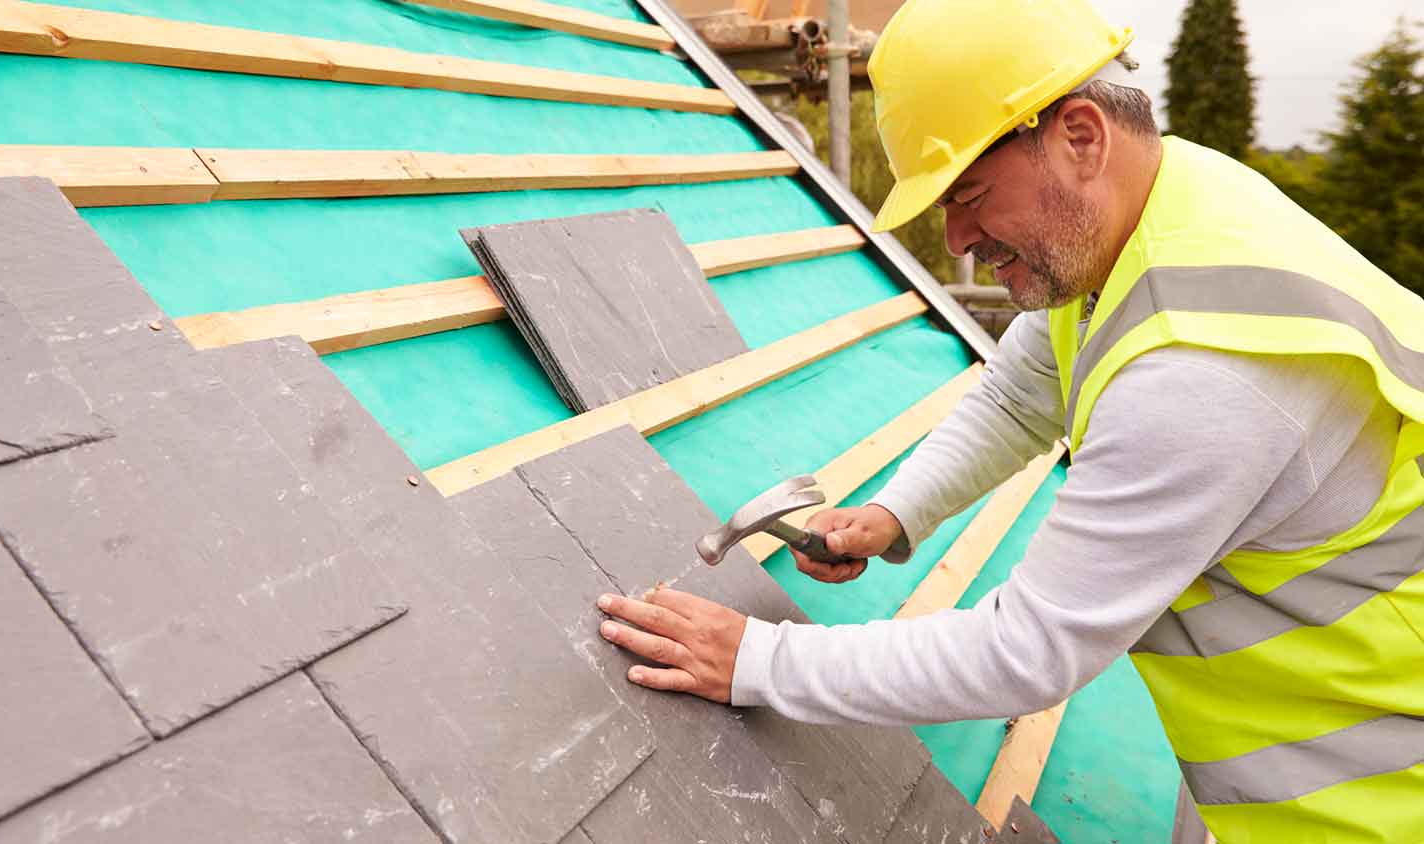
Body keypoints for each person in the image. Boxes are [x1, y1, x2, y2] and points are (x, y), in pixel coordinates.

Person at [593, 0, 1424, 840]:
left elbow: (1026, 652)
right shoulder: (1157, 214)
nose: (958, 238)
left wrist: (756, 661)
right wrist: (895, 513)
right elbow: (1022, 391)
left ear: (1081, 136)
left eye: (971, 195)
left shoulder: (1203, 371)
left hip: (1373, 803)